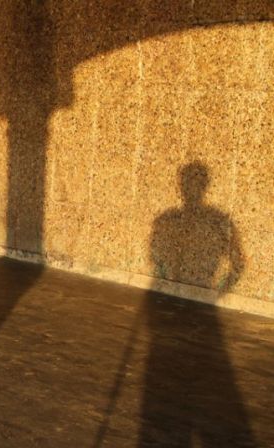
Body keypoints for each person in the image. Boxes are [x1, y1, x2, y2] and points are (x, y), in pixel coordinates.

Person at [139, 161, 254, 447]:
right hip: (179, 309)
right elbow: (156, 255)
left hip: (197, 310)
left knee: (188, 374)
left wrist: (214, 293)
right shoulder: (175, 218)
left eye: (193, 182)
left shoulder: (212, 219)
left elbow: (238, 263)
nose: (189, 187)